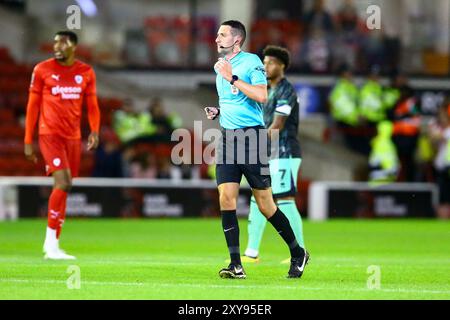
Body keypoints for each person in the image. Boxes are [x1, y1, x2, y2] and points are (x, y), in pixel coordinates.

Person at [205, 20, 309, 279]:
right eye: (217, 34)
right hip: (228, 139)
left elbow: (261, 96)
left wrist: (233, 77)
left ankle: (298, 253)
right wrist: (219, 111)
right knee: (226, 198)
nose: (217, 38)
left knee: (266, 205)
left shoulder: (251, 63)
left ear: (236, 40)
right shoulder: (221, 68)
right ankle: (235, 265)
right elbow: (235, 100)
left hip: (252, 139)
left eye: (222, 34)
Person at [24, 31, 100, 260]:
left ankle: (54, 244)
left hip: (73, 137)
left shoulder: (85, 72)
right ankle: (49, 244)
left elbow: (92, 105)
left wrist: (94, 130)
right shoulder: (42, 70)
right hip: (50, 135)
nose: (57, 46)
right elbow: (33, 106)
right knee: (63, 182)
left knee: (66, 187)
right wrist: (28, 140)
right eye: (55, 42)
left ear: (73, 47)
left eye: (63, 42)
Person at [242, 45, 306, 264]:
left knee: (285, 199)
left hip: (285, 152)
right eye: (264, 62)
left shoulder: (286, 90)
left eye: (270, 62)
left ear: (282, 66)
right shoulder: (266, 89)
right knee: (257, 197)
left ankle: (301, 251)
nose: (265, 66)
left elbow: (277, 126)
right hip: (268, 151)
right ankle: (251, 253)